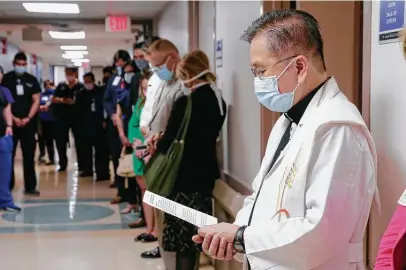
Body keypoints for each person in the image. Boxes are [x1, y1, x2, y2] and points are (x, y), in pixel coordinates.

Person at [193, 10, 379, 270]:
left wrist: (241, 238)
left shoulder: (337, 128)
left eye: (261, 71)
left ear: (299, 67)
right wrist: (237, 233)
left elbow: (322, 233)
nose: (257, 81)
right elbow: (261, 195)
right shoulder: (288, 120)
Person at [148, 49, 226, 269]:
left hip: (182, 180)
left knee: (183, 241)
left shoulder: (185, 102)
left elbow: (169, 141)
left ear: (188, 74)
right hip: (205, 178)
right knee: (195, 238)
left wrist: (158, 140)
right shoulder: (218, 99)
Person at [140, 39, 184, 263]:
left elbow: (176, 126)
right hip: (156, 155)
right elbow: (154, 115)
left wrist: (160, 139)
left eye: (158, 65)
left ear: (172, 58)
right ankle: (164, 252)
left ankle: (170, 257)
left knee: (173, 223)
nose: (156, 71)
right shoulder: (162, 83)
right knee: (161, 215)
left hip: (171, 161)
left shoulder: (183, 86)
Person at [1, 52, 41, 196]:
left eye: (24, 65)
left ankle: (30, 186)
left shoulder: (31, 80)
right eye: (19, 64)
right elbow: (6, 102)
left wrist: (28, 117)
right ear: (14, 63)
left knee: (29, 155)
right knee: (8, 155)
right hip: (10, 123)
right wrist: (14, 118)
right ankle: (8, 185)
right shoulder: (7, 79)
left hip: (28, 123)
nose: (21, 67)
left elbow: (36, 100)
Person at [104, 50, 133, 203]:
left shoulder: (134, 78)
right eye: (117, 62)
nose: (119, 64)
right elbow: (107, 99)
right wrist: (112, 114)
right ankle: (120, 190)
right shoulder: (113, 79)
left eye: (122, 61)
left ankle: (132, 195)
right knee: (116, 156)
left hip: (130, 123)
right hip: (115, 123)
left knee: (131, 158)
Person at [132, 72, 157, 243]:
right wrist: (136, 143)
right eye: (143, 88)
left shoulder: (158, 103)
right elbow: (133, 124)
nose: (145, 91)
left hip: (151, 151)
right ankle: (149, 228)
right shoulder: (140, 103)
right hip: (138, 151)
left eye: (148, 87)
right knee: (144, 192)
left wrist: (147, 148)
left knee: (153, 192)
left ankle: (156, 230)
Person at [52, 67, 85, 173]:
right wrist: (63, 100)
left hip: (77, 118)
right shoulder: (61, 86)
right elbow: (54, 99)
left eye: (70, 73)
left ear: (75, 74)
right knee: (61, 142)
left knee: (80, 142)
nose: (68, 76)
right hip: (62, 118)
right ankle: (62, 164)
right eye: (67, 74)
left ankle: (82, 165)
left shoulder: (80, 87)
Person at [81, 72, 110, 181]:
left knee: (101, 151)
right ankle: (87, 170)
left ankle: (102, 172)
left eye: (89, 81)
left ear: (93, 81)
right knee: (86, 150)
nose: (87, 84)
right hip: (85, 126)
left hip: (99, 125)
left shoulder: (101, 92)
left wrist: (104, 121)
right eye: (85, 82)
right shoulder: (81, 94)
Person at [0, 65, 20, 211]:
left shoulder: (5, 91)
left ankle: (5, 201)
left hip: (3, 134)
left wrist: (9, 126)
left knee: (5, 170)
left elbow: (7, 109)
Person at [38, 80, 56, 165]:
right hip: (42, 120)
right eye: (46, 85)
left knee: (49, 140)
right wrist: (40, 107)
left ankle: (51, 158)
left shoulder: (54, 95)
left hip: (51, 121)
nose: (48, 86)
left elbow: (52, 102)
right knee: (41, 138)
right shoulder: (41, 95)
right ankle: (42, 155)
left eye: (50, 85)